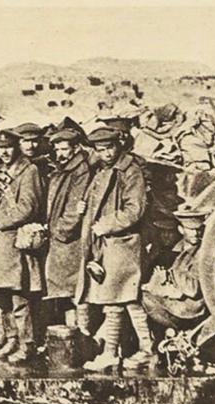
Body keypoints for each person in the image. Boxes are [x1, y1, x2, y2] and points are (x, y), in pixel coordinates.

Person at [76, 126, 153, 371]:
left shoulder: (131, 172)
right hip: (107, 244)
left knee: (115, 300)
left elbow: (135, 210)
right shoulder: (103, 171)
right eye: (100, 150)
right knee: (126, 300)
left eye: (109, 148)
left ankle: (111, 353)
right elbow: (93, 199)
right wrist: (83, 205)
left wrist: (106, 225)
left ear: (118, 145)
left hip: (123, 242)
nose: (105, 153)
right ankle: (147, 350)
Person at [0, 129, 47, 363]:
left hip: (16, 242)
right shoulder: (0, 172)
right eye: (0, 148)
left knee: (19, 297)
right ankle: (10, 339)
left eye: (9, 147)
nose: (5, 152)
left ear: (17, 147)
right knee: (2, 295)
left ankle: (27, 344)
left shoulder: (29, 171)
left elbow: (29, 207)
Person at [42, 129, 91, 328]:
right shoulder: (65, 168)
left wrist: (59, 230)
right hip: (60, 239)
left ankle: (82, 334)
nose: (60, 153)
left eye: (64, 149)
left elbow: (74, 208)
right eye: (58, 149)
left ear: (76, 148)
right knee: (63, 290)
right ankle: (72, 334)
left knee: (74, 291)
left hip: (69, 241)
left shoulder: (80, 171)